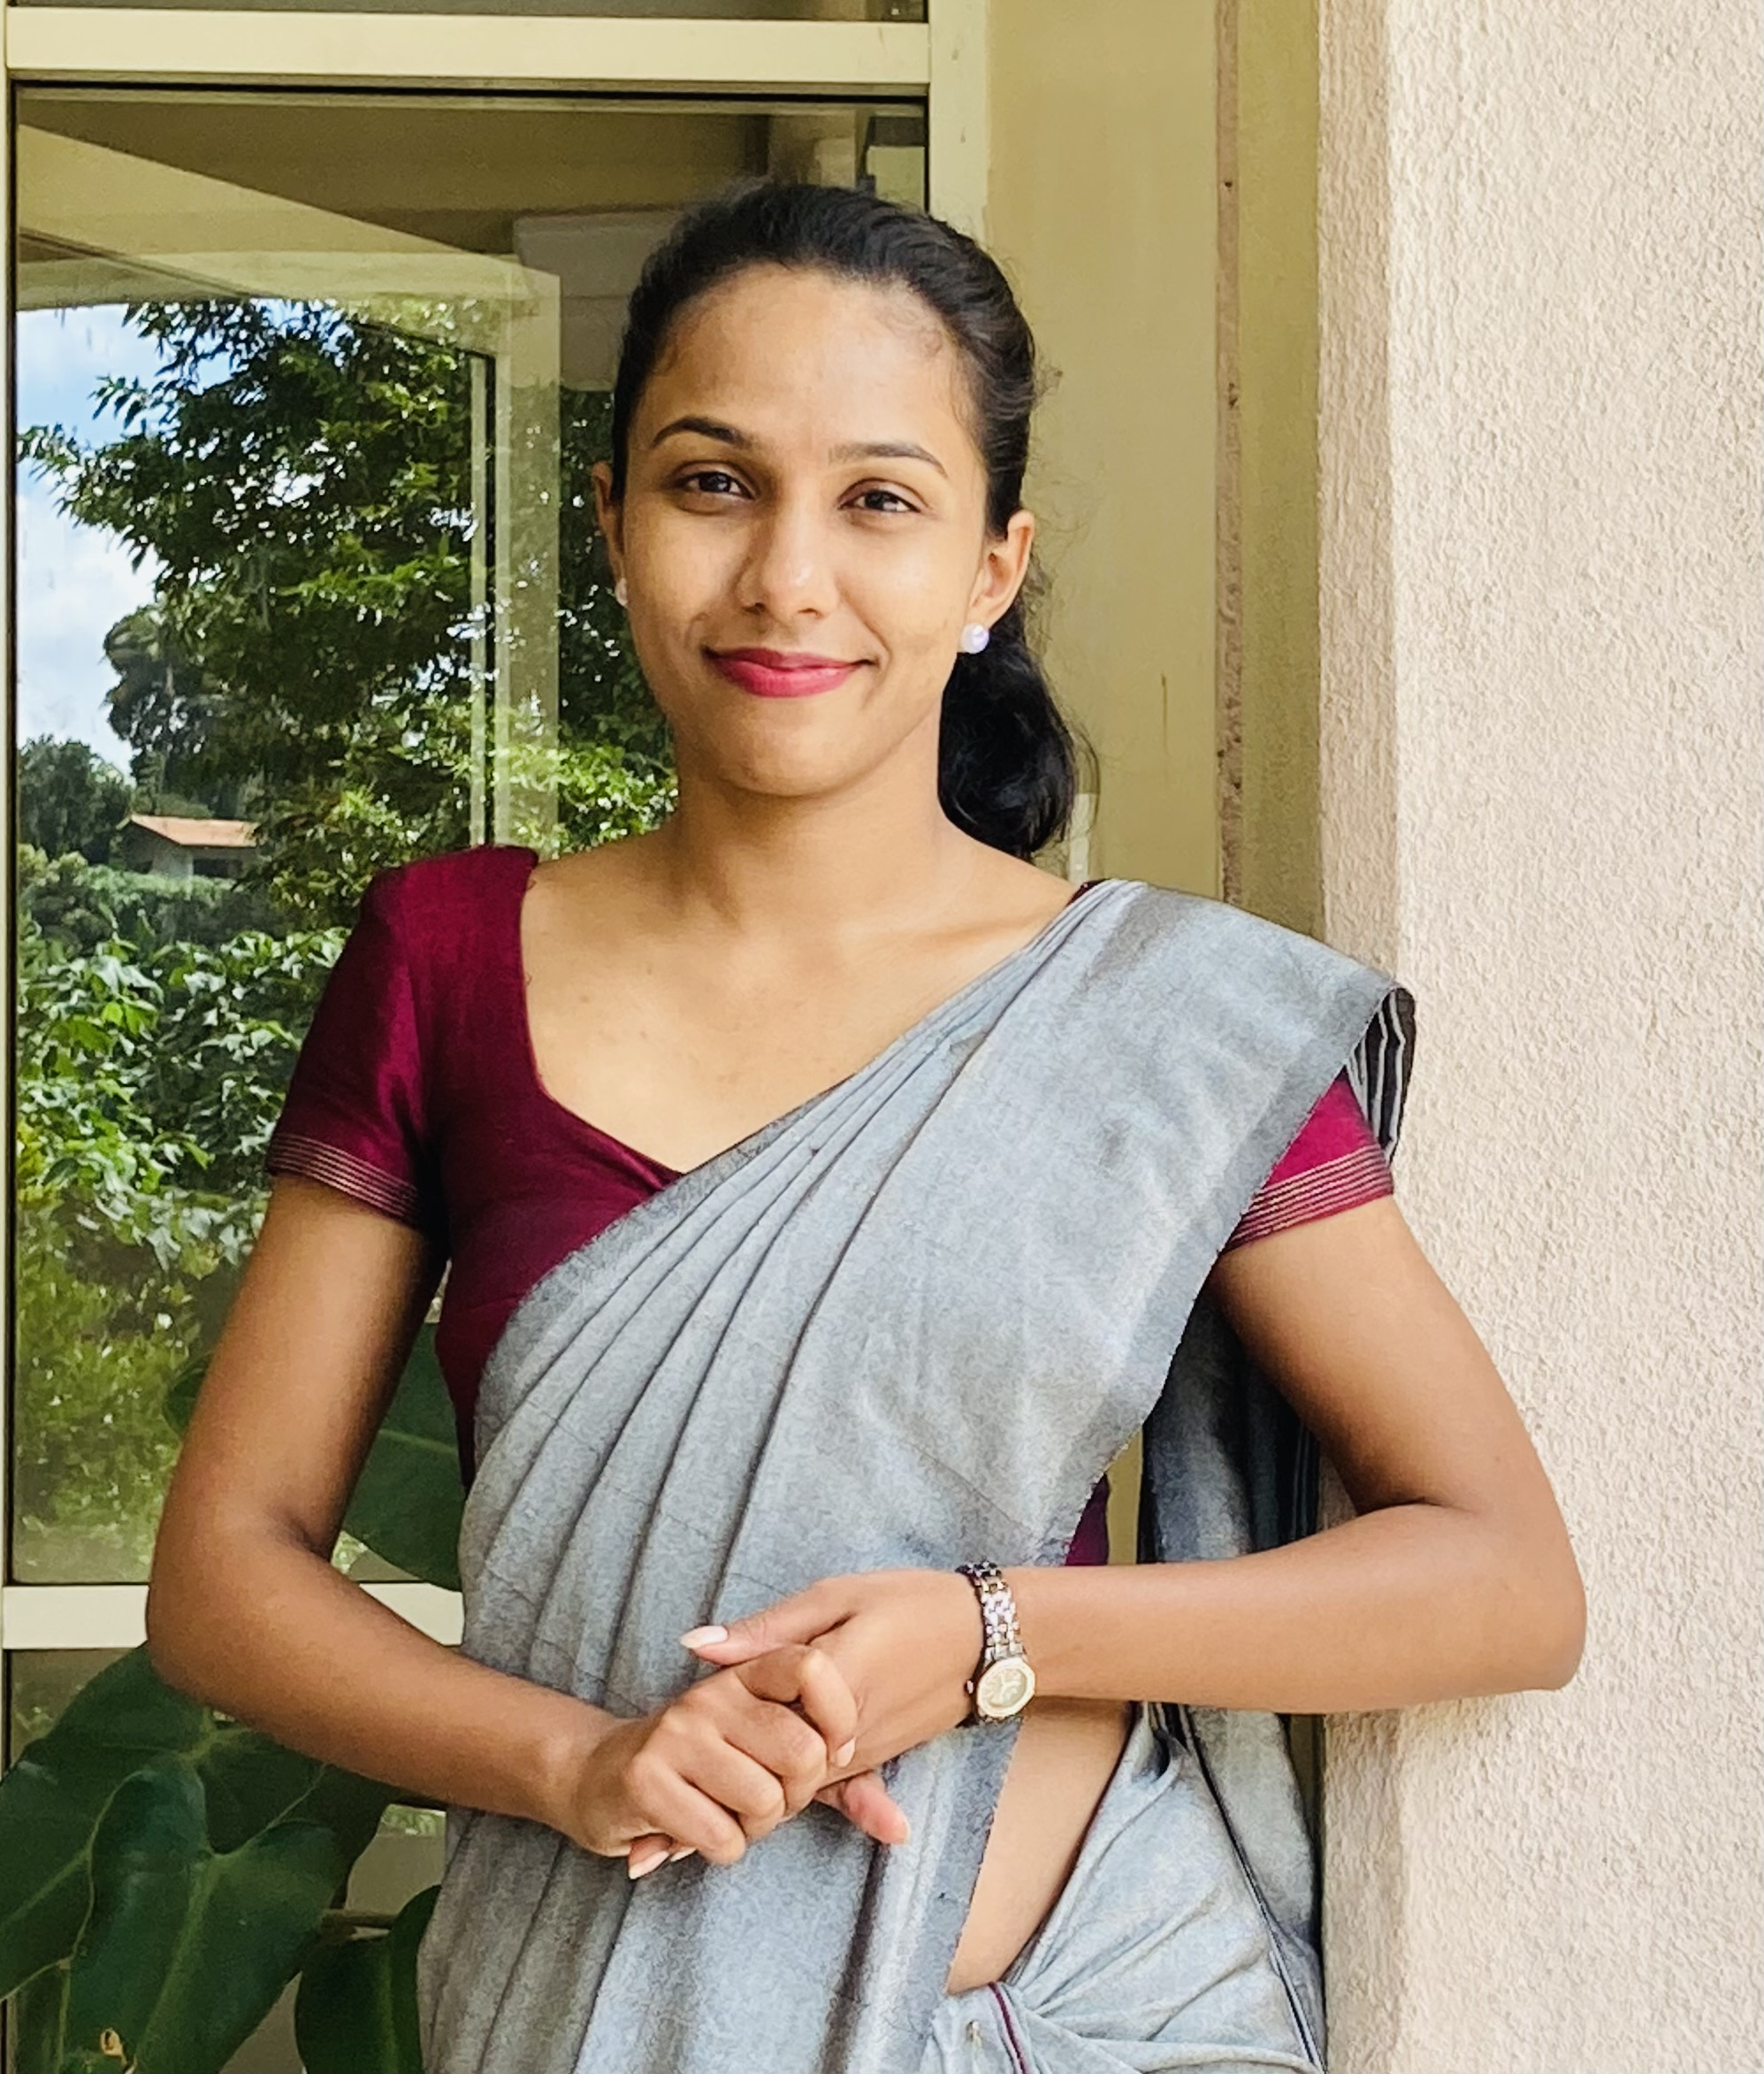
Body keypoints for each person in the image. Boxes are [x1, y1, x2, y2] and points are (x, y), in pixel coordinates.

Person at [145, 180, 1585, 2073]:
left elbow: (1502, 1578)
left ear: (991, 567)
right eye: (713, 483)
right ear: (611, 520)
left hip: (1102, 2015)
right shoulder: (447, 961)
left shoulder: (1159, 1020)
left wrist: (993, 1635)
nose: (786, 576)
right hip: (591, 2007)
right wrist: (577, 1760)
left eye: (880, 500)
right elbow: (224, 1576)